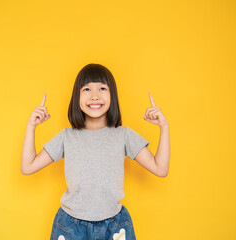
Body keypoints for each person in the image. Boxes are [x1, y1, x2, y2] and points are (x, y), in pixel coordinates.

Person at [21, 63, 170, 240]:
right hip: (71, 227)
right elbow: (28, 167)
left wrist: (164, 127)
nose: (94, 96)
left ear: (112, 95)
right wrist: (31, 126)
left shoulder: (124, 135)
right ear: (77, 97)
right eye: (86, 89)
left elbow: (160, 169)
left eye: (102, 88)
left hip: (114, 226)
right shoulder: (66, 137)